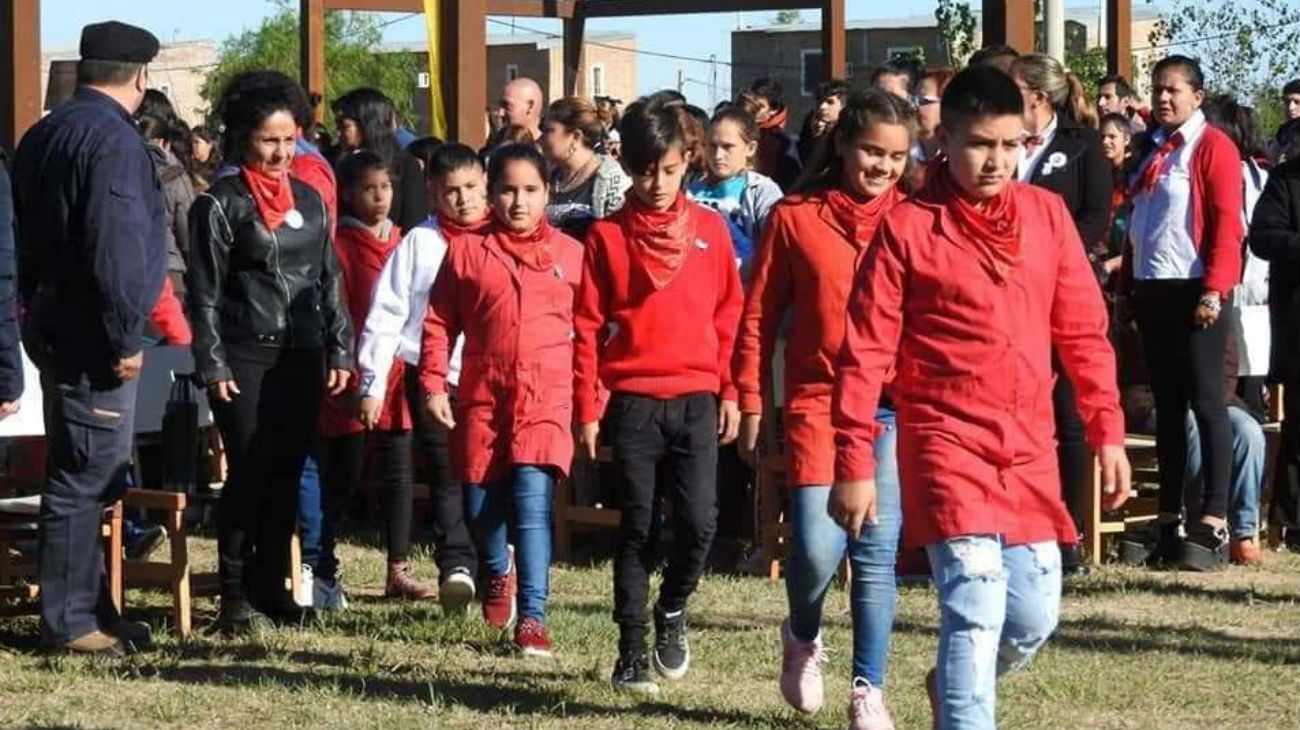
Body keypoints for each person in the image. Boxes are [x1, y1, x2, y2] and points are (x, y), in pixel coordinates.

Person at [829, 66, 1130, 730]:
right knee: (976, 603)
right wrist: (853, 462)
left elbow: (1083, 331)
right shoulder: (910, 227)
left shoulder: (1046, 216)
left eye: (1010, 145)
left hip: (1027, 448)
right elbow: (864, 353)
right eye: (979, 145)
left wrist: (1106, 430)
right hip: (944, 443)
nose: (996, 161)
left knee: (1032, 614)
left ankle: (953, 686)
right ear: (943, 143)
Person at [733, 89, 914, 729]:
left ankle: (869, 687)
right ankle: (802, 632)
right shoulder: (795, 218)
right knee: (814, 545)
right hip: (817, 402)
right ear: (841, 146)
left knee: (874, 549)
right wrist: (752, 398)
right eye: (871, 151)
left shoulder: (916, 219)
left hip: (892, 409)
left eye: (897, 156)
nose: (883, 167)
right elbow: (757, 315)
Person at [573, 96, 744, 696]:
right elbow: (587, 328)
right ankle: (630, 649)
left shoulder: (713, 231)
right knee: (637, 527)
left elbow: (730, 316)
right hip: (634, 400)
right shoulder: (606, 238)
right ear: (628, 164)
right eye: (646, 170)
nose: (656, 183)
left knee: (700, 523)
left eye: (669, 170)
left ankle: (673, 606)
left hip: (697, 396)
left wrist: (731, 389)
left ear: (686, 163)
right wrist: (588, 407)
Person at [12, 21, 164, 655]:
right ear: (140, 76)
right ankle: (73, 621)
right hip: (95, 333)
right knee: (86, 477)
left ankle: (94, 609)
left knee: (87, 471)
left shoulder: (46, 132)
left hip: (54, 320)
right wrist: (126, 333)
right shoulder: (114, 142)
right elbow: (115, 248)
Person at [188, 70, 354, 634]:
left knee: (288, 471)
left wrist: (341, 348)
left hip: (302, 354)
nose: (281, 152)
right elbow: (203, 294)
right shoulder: (218, 205)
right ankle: (233, 598)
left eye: (289, 140)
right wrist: (211, 363)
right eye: (268, 141)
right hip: (245, 356)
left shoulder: (310, 198)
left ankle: (273, 590)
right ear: (241, 139)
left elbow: (329, 278)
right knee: (251, 473)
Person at [420, 144, 583, 658]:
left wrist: (592, 402)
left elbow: (594, 332)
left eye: (530, 191)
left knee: (533, 507)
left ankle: (533, 617)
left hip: (547, 397)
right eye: (508, 190)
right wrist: (431, 381)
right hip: (483, 396)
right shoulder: (467, 252)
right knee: (479, 504)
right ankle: (497, 570)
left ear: (547, 193)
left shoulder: (572, 256)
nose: (518, 202)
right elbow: (439, 320)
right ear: (492, 194)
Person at [1121, 55, 1244, 570]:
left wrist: (1215, 289)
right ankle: (1168, 516)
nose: (1163, 98)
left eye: (1173, 90)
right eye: (1157, 90)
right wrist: (1128, 283)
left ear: (1197, 95)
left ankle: (1212, 518)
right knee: (1168, 407)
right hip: (1154, 288)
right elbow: (1140, 220)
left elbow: (1225, 223)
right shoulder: (1154, 149)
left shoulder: (1212, 145)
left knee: (1207, 402)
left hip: (1198, 290)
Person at [357, 142, 488, 614]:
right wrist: (372, 383)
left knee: (488, 473)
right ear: (433, 192)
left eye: (472, 188)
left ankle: (495, 561)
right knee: (446, 471)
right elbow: (387, 311)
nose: (464, 200)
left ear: (486, 184)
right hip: (430, 374)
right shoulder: (420, 242)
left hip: (491, 373)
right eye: (451, 191)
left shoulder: (502, 236)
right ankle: (456, 564)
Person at [312, 150, 438, 609]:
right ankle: (321, 563)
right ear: (349, 193)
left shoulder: (407, 242)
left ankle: (398, 567)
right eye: (369, 188)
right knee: (343, 470)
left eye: (385, 187)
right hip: (357, 372)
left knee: (399, 470)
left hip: (400, 369)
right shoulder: (340, 246)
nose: (380, 196)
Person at [1010, 52, 1114, 575]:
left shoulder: (1083, 145)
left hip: (1063, 291)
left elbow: (1097, 215)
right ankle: (1017, 527)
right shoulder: (998, 146)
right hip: (1006, 299)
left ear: (1037, 97)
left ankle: (1068, 532)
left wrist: (1054, 258)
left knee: (1068, 418)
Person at [1250, 120, 1300, 551]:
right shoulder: (1285, 181)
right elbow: (1262, 237)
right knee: (1298, 425)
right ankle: (1288, 521)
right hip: (1298, 320)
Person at [686, 105, 783, 278]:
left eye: (727, 147)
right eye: (712, 146)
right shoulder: (690, 191)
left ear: (750, 148)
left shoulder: (762, 191)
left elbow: (774, 251)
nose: (717, 155)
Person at [332, 87, 430, 232]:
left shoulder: (405, 165)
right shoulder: (336, 161)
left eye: (345, 126)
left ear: (367, 125)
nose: (338, 132)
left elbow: (414, 225)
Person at [539, 96, 630, 241]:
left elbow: (618, 240)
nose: (541, 137)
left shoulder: (611, 179)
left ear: (575, 136)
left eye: (549, 130)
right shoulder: (549, 178)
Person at [137, 114, 196, 297]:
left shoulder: (123, 169)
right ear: (164, 143)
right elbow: (187, 230)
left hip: (133, 268)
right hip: (169, 269)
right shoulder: (177, 177)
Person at [746, 77, 803, 190]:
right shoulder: (747, 133)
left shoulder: (782, 143)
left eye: (759, 107)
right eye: (751, 105)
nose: (752, 110)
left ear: (774, 110)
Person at [1098, 112, 1135, 277]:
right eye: (1102, 137)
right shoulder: (1095, 175)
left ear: (1126, 139)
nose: (1106, 142)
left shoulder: (1134, 176)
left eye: (1112, 136)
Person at [797, 78, 849, 166]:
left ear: (843, 106)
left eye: (830, 102)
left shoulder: (850, 135)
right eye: (820, 101)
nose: (822, 107)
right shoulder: (809, 130)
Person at [913, 67, 956, 164]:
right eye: (913, 100)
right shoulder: (902, 156)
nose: (913, 107)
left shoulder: (959, 160)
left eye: (923, 101)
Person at [495, 77, 545, 147]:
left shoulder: (549, 153)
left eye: (507, 106)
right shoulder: (491, 150)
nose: (500, 113)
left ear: (530, 106)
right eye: (500, 105)